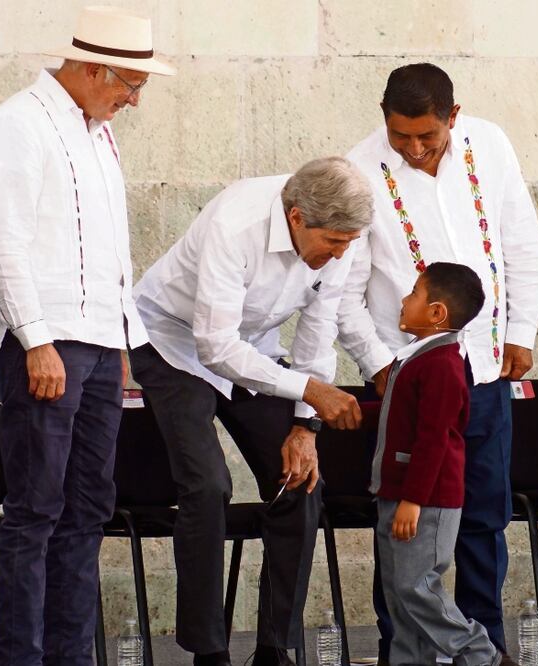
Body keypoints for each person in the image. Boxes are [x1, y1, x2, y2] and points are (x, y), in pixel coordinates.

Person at [0, 7, 174, 664]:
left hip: (92, 340)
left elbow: (110, 248)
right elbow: (5, 246)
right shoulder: (17, 126)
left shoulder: (97, 132)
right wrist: (35, 340)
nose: (134, 100)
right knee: (36, 510)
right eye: (128, 85)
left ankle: (70, 656)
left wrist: (118, 343)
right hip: (45, 343)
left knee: (89, 506)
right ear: (92, 68)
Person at [339, 62, 538, 660]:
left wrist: (522, 331)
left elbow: (522, 244)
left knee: (483, 518)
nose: (413, 148)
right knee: (402, 531)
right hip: (406, 378)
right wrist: (381, 364)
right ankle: (402, 650)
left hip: (483, 373)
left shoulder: (492, 143)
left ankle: (487, 648)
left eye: (426, 136)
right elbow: (343, 293)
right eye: (399, 135)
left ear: (453, 118)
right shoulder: (358, 169)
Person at [130, 156, 372, 666]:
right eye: (333, 243)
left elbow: (316, 334)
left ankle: (276, 647)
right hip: (172, 342)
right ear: (298, 218)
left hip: (254, 347)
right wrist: (311, 389)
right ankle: (208, 649)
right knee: (207, 484)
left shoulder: (340, 239)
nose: (339, 255)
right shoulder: (235, 223)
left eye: (348, 244)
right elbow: (214, 346)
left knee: (302, 481)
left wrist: (306, 426)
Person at [361, 261, 501, 666]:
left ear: (437, 312)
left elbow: (434, 439)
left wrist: (413, 500)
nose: (404, 301)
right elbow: (403, 417)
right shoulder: (416, 358)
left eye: (414, 294)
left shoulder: (441, 364)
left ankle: (479, 651)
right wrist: (356, 410)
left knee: (417, 587)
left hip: (425, 500)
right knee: (399, 594)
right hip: (399, 494)